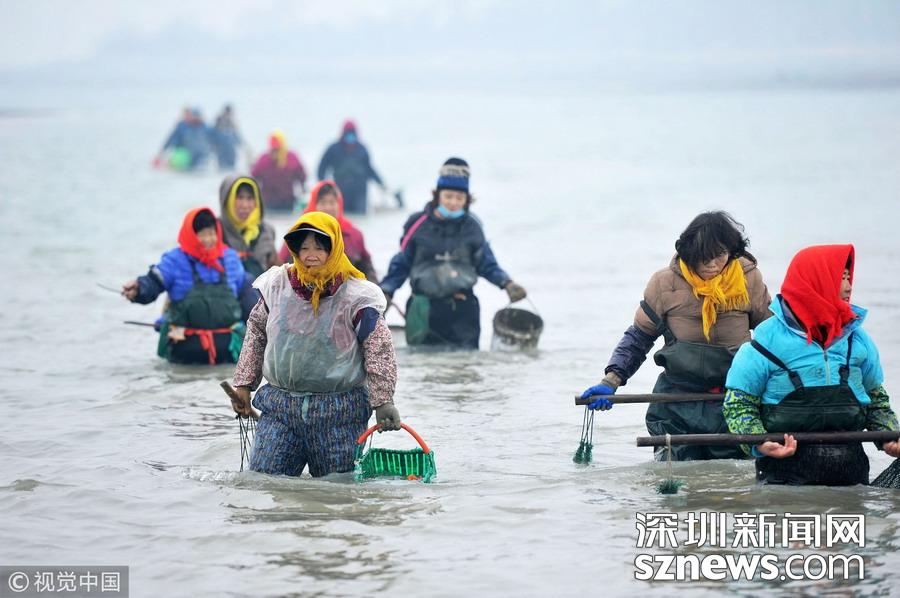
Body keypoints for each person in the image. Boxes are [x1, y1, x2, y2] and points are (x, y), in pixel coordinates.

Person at [580, 211, 772, 461]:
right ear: (688, 252)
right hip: (677, 400)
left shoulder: (749, 279)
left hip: (734, 398)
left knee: (732, 477)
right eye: (704, 257)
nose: (713, 265)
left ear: (732, 252)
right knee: (676, 473)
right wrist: (610, 382)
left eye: (720, 255)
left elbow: (771, 338)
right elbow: (639, 337)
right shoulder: (664, 283)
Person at [229, 211, 402, 477]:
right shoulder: (277, 287)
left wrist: (383, 401)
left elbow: (378, 349)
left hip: (339, 413)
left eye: (320, 248)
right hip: (280, 408)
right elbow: (256, 333)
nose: (311, 255)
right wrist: (243, 385)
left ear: (333, 250)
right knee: (265, 482)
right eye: (304, 248)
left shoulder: (357, 296)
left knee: (336, 491)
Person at [724, 244, 900, 485]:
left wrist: (889, 436)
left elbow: (876, 400)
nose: (849, 287)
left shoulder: (858, 340)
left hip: (852, 476)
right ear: (815, 282)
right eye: (840, 278)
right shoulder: (765, 342)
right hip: (783, 478)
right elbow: (738, 405)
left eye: (849, 278)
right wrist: (760, 442)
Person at [379, 157, 527, 349]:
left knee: (465, 363)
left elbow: (486, 263)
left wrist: (507, 283)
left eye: (459, 198)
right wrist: (386, 291)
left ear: (467, 200)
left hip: (463, 312)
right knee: (422, 363)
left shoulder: (473, 227)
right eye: (448, 196)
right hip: (423, 310)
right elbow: (401, 264)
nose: (453, 202)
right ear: (437, 195)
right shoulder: (417, 225)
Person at [122, 208, 249, 364]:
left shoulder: (230, 258)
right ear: (191, 235)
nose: (208, 239)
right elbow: (153, 282)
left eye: (212, 233)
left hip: (228, 354)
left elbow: (247, 295)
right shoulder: (175, 260)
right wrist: (138, 289)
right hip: (185, 357)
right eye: (202, 234)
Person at [277, 180, 378, 282]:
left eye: (332, 202)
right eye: (323, 202)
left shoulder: (353, 235)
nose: (328, 208)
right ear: (313, 205)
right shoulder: (298, 234)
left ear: (339, 204)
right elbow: (280, 269)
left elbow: (368, 271)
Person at [317, 119, 385, 215]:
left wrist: (381, 183)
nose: (350, 137)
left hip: (359, 190)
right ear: (343, 134)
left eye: (352, 134)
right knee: (341, 215)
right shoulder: (334, 149)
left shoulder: (362, 149)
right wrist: (322, 185)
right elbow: (322, 167)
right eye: (348, 134)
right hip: (341, 188)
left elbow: (369, 169)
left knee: (360, 216)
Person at [218, 175, 279, 279]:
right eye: (239, 198)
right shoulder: (215, 231)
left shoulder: (266, 231)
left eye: (250, 198)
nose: (245, 205)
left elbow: (276, 275)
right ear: (227, 200)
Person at [251, 129, 308, 212]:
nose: (275, 152)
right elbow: (254, 177)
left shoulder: (291, 158)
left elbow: (302, 177)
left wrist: (303, 192)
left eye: (277, 149)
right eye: (273, 149)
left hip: (288, 202)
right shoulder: (264, 160)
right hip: (269, 203)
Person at [211, 104, 245, 171]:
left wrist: (240, 143)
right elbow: (214, 134)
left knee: (231, 164)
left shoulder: (232, 122)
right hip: (221, 147)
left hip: (231, 148)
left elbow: (236, 134)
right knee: (222, 165)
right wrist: (214, 145)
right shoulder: (219, 120)